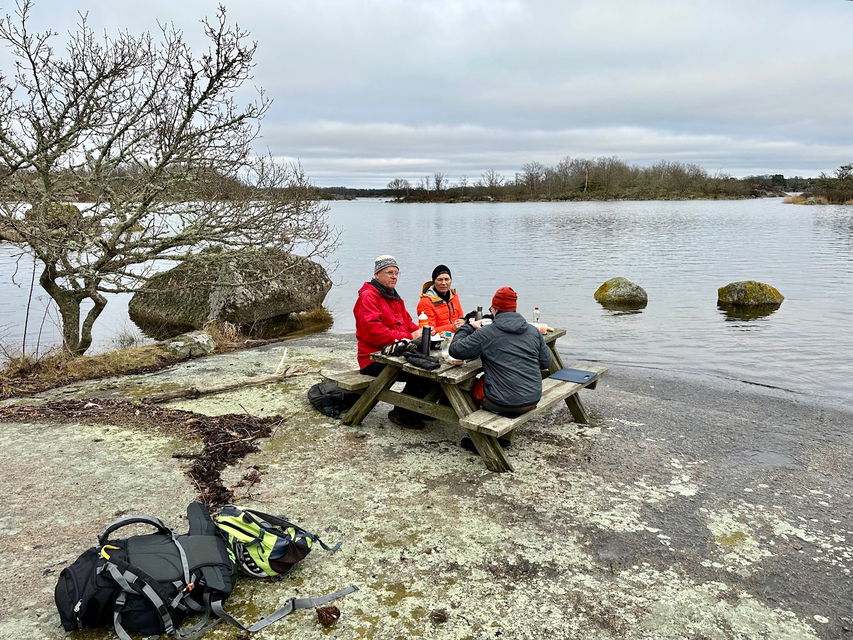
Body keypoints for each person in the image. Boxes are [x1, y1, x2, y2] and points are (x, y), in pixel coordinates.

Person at [448, 286, 552, 450]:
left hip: (503, 401)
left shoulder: (488, 332)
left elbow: (455, 350)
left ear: (495, 309)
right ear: (514, 308)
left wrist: (468, 327)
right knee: (499, 383)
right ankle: (501, 434)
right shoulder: (533, 331)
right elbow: (546, 363)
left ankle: (482, 438)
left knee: (468, 387)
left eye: (492, 309)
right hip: (532, 397)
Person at [353, 255, 430, 429]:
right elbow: (373, 333)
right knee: (420, 374)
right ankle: (401, 413)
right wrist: (409, 336)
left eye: (396, 273)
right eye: (389, 272)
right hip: (371, 359)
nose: (394, 276)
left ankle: (420, 409)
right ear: (377, 274)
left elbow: (408, 322)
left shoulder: (394, 297)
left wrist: (421, 333)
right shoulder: (368, 297)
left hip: (395, 353)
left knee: (431, 367)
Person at [417, 264, 465, 334]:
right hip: (439, 338)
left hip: (457, 334)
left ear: (451, 280)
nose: (444, 283)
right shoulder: (425, 302)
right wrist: (453, 327)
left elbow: (461, 318)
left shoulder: (454, 296)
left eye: (447, 279)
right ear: (434, 282)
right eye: (440, 280)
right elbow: (430, 331)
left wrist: (464, 321)